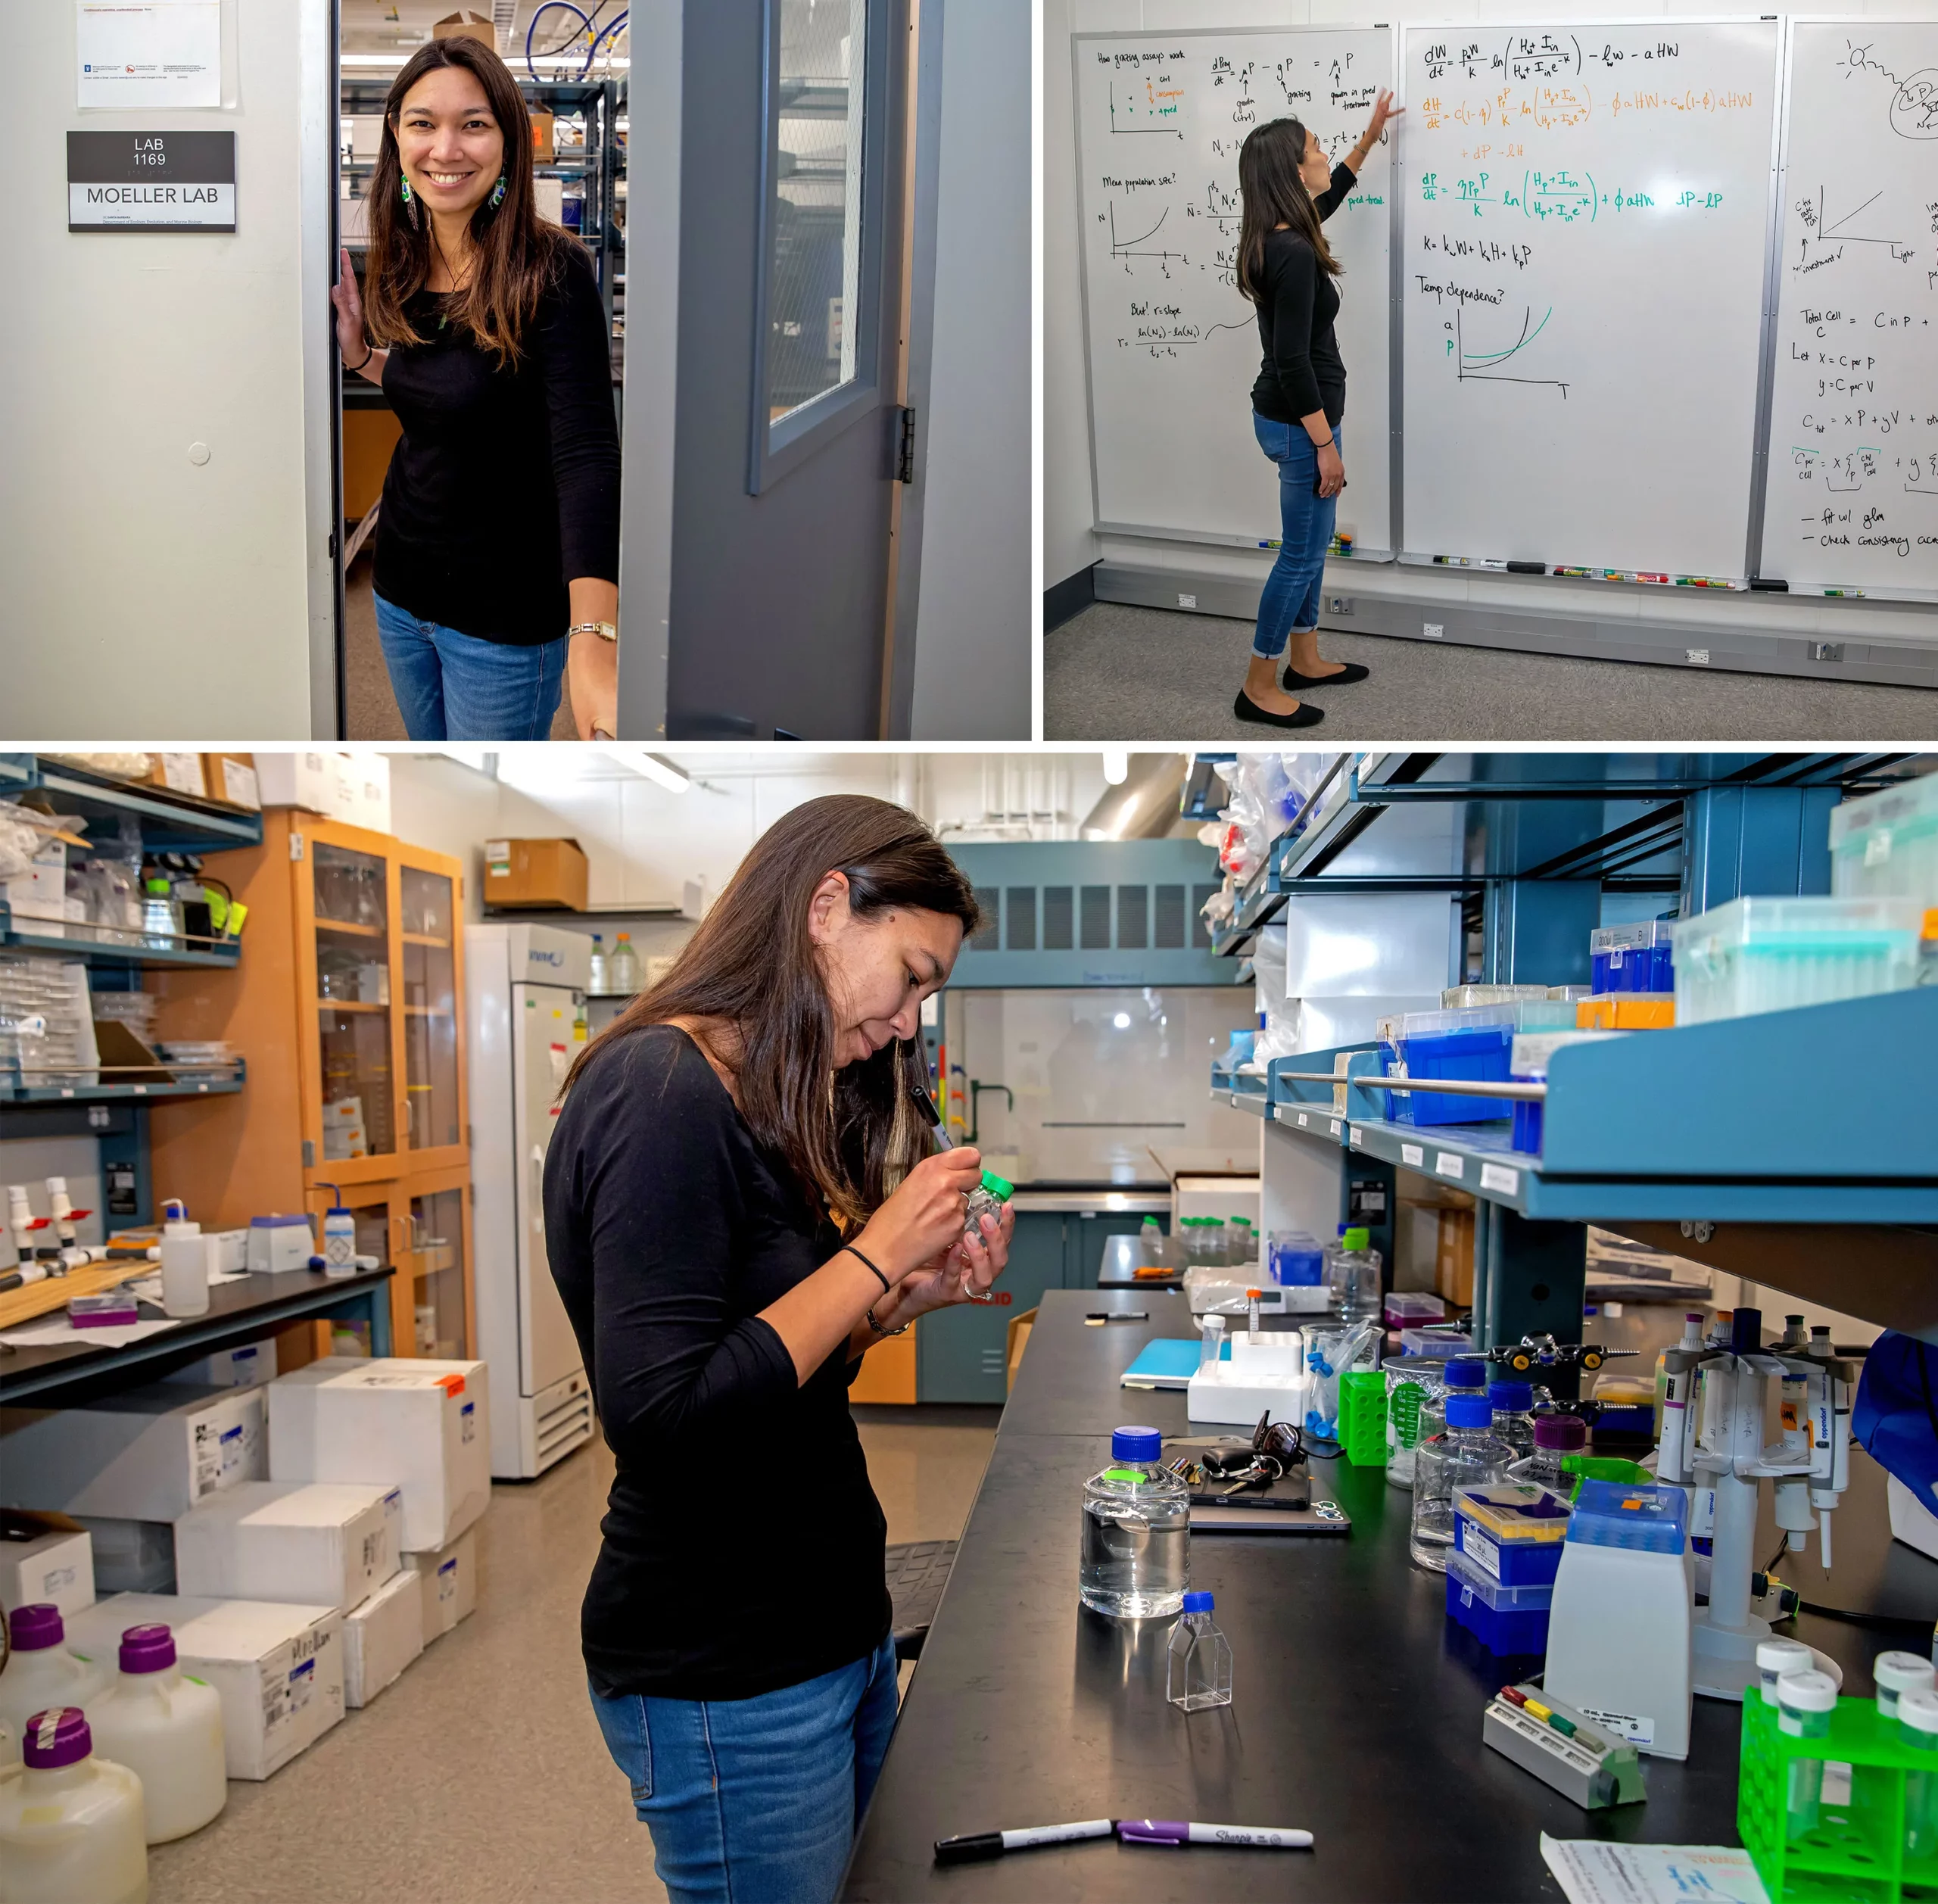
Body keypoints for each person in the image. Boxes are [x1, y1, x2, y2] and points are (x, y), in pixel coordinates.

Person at [543, 796, 1014, 1904]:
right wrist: (877, 1245)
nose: (909, 1021)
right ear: (824, 905)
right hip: (726, 1667)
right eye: (909, 974)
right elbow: (664, 1420)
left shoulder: (769, 1095)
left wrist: (904, 1294)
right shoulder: (657, 1091)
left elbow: (774, 1367)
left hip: (832, 1625)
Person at [330, 35, 621, 741]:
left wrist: (593, 637)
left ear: (509, 143)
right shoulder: (403, 257)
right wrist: (362, 354)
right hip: (400, 592)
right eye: (424, 123)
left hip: (506, 616)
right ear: (395, 135)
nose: (446, 148)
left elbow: (585, 456)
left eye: (474, 124)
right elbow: (442, 396)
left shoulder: (555, 270)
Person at [1233, 89, 1403, 729]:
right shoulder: (1295, 254)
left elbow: (1329, 197)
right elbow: (1291, 361)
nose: (1323, 153)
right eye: (1314, 148)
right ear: (1289, 170)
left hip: (1296, 420)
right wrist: (1325, 443)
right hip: (1300, 423)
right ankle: (1259, 682)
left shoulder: (1281, 234)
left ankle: (1305, 658)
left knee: (1314, 544)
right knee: (1300, 554)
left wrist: (1368, 140)